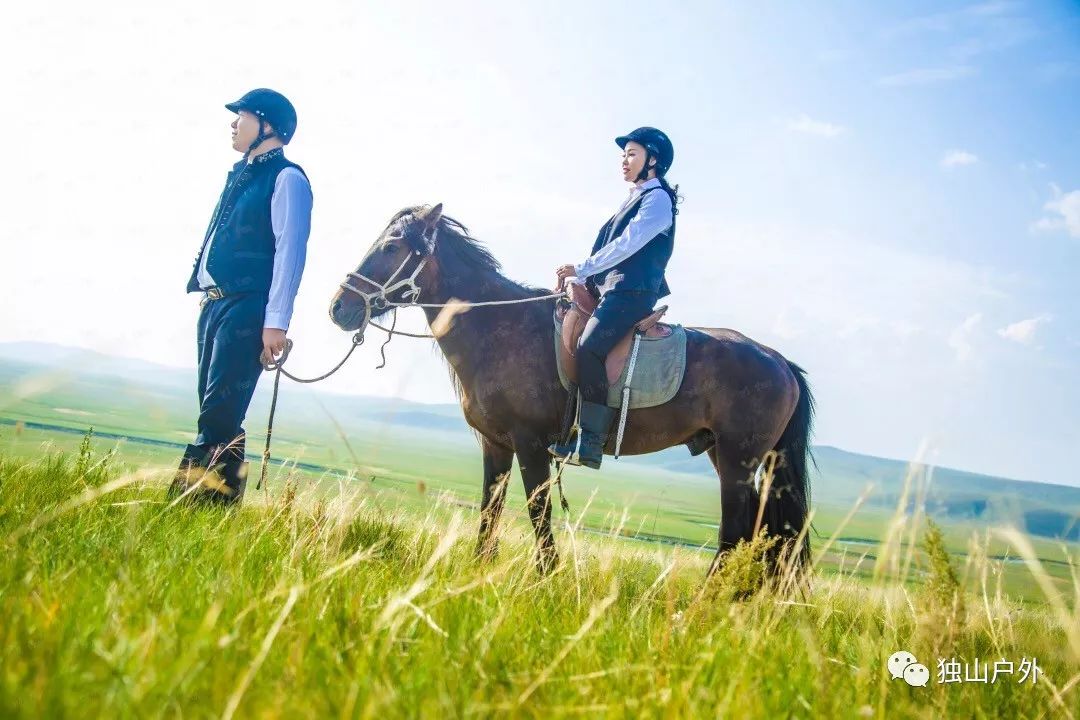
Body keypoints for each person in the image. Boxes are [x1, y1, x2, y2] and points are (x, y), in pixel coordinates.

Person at [170, 88, 314, 504]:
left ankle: (184, 507)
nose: (234, 123)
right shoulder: (239, 174)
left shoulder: (288, 178)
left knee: (218, 415)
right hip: (215, 305)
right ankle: (218, 510)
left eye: (243, 115)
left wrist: (276, 323)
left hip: (248, 309)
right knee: (219, 414)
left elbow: (291, 253)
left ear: (268, 126)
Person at [548, 127, 679, 470]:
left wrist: (583, 266)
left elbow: (629, 244)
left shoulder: (658, 199)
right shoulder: (635, 197)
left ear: (653, 160)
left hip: (632, 292)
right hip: (612, 289)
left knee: (590, 346)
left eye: (632, 154)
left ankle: (590, 441)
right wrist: (583, 277)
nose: (624, 161)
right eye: (623, 155)